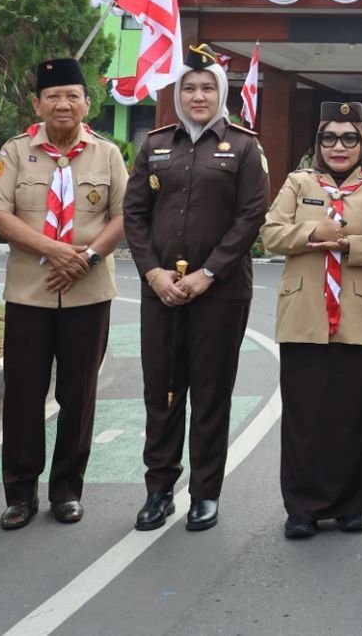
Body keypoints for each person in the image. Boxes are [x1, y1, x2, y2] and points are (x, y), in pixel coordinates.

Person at [124, 44, 268, 533]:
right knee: (161, 393)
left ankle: (205, 493)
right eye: (189, 87)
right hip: (160, 291)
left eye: (208, 87)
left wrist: (208, 273)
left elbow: (251, 217)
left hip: (221, 294)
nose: (199, 95)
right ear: (178, 93)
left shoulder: (245, 147)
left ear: (221, 92)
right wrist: (153, 273)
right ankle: (158, 490)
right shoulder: (155, 144)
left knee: (210, 395)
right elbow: (134, 214)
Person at [0, 58, 129, 530]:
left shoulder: (107, 154)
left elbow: (125, 216)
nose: (63, 104)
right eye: (53, 96)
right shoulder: (14, 151)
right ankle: (19, 494)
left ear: (87, 103)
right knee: (23, 394)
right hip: (30, 293)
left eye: (72, 96)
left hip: (88, 293)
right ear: (37, 103)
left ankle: (67, 490)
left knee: (79, 393)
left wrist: (84, 259)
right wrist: (56, 250)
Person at [259, 102, 362, 538]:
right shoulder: (298, 182)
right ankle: (302, 508)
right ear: (317, 142)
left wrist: (348, 246)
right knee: (306, 415)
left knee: (354, 412)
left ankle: (352, 504)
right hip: (304, 312)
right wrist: (311, 234)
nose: (338, 146)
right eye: (329, 137)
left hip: (360, 312)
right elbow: (269, 234)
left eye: (349, 138)